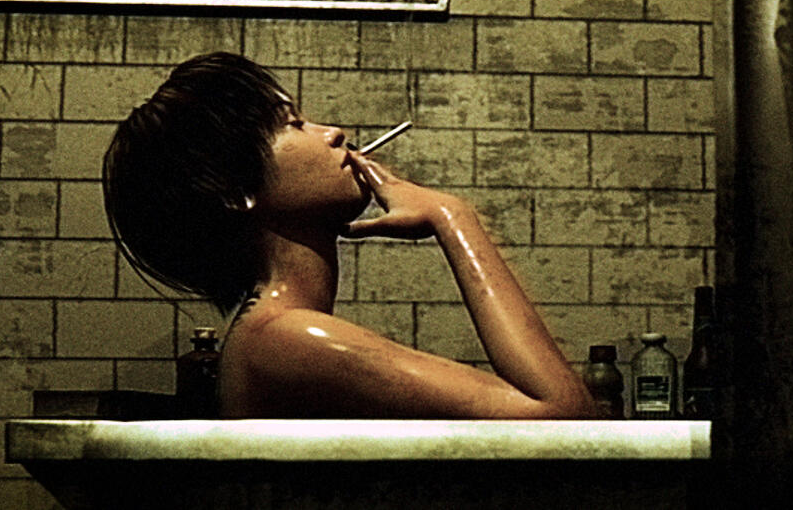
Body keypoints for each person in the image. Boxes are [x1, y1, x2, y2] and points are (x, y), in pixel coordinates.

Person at [103, 52, 597, 419]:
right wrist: (453, 215)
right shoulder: (285, 338)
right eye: (294, 124)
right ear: (234, 189)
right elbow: (562, 420)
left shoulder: (267, 333)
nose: (333, 132)